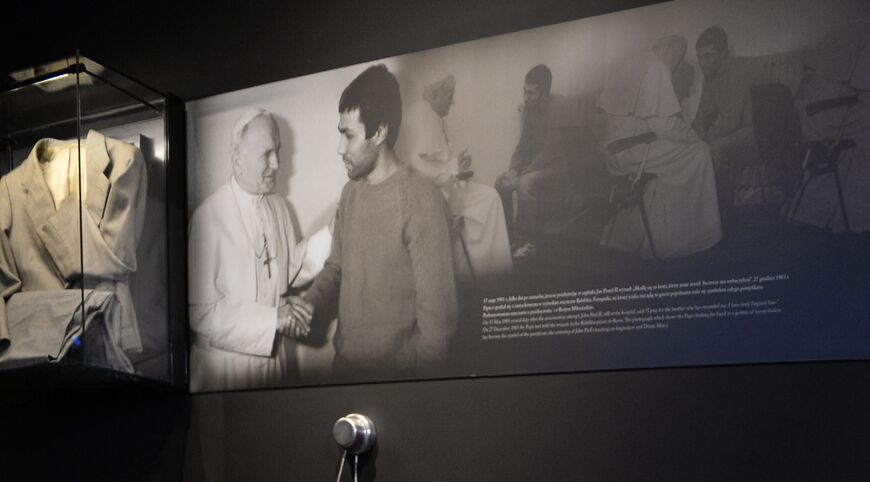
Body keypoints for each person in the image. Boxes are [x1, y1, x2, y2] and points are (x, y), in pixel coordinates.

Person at [299, 64, 458, 379]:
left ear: (380, 131)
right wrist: (310, 303)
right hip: (343, 367)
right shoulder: (350, 193)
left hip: (395, 377)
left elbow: (438, 324)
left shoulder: (422, 199)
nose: (339, 148)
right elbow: (335, 269)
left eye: (349, 135)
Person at [188, 108, 330, 392]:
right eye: (267, 154)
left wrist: (335, 231)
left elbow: (291, 270)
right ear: (237, 159)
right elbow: (199, 313)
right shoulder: (208, 217)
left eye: (277, 151)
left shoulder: (278, 207)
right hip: (223, 371)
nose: (277, 163)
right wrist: (274, 317)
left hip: (273, 362)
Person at [597, 35, 721, 258]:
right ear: (671, 51)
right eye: (678, 58)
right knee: (699, 152)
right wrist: (694, 137)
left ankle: (654, 233)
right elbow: (665, 125)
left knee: (671, 160)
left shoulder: (632, 61)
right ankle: (690, 239)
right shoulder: (657, 67)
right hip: (630, 151)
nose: (675, 66)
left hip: (611, 152)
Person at [401, 74, 512, 283]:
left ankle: (481, 268)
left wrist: (454, 164)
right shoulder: (425, 114)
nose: (452, 101)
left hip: (443, 189)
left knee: (488, 198)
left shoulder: (425, 112)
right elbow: (422, 170)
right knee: (492, 199)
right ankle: (494, 273)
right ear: (435, 95)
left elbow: (432, 163)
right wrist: (454, 167)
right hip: (438, 196)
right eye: (449, 96)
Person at [494, 64, 576, 255]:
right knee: (501, 181)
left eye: (531, 93)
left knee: (525, 183)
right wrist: (512, 170)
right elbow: (522, 146)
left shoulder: (560, 107)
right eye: (524, 92)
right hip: (538, 165)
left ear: (545, 93)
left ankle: (529, 241)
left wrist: (521, 174)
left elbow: (550, 152)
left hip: (560, 167)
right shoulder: (530, 110)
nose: (525, 97)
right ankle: (509, 237)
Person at [692, 26, 764, 225]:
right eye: (699, 57)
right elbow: (702, 116)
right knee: (695, 148)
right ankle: (700, 212)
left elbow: (731, 124)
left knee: (714, 149)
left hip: (759, 134)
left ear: (724, 54)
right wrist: (688, 138)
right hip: (738, 133)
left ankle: (722, 214)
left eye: (708, 55)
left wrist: (703, 139)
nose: (702, 62)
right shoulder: (710, 74)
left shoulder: (739, 70)